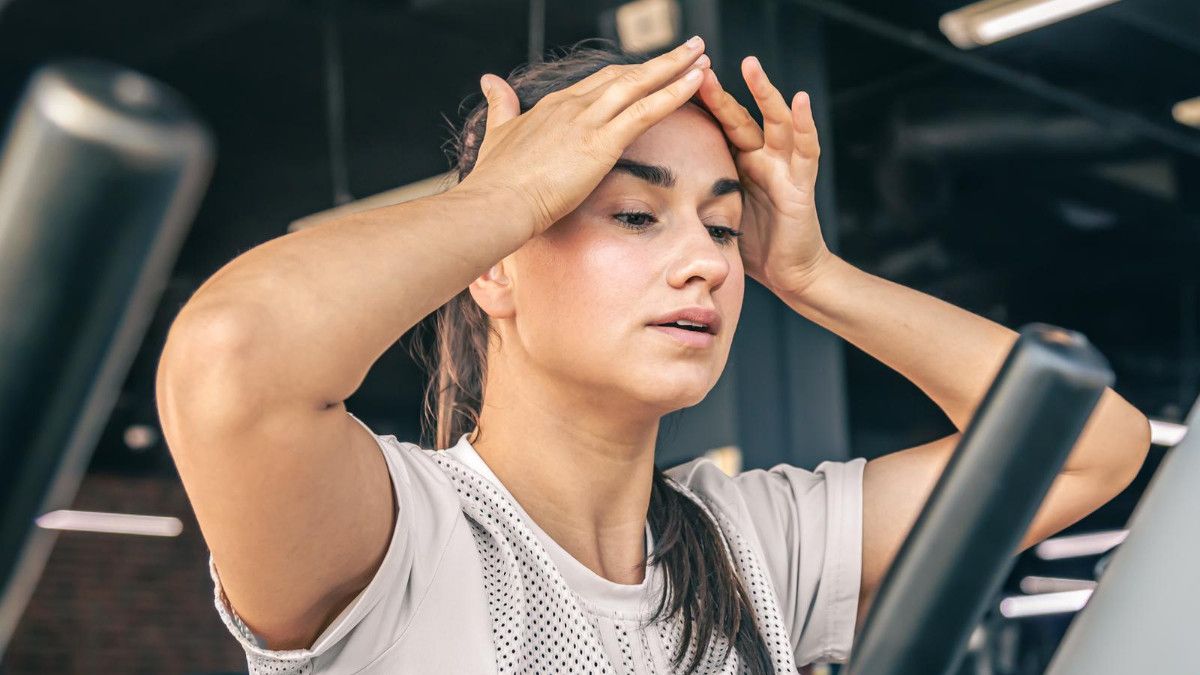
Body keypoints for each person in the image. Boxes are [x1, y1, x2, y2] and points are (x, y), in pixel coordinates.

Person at [154, 36, 1152, 674]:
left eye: (722, 230)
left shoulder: (761, 547)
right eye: (634, 214)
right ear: (495, 272)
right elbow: (234, 359)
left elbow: (1087, 446)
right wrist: (500, 203)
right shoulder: (399, 541)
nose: (702, 265)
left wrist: (811, 275)